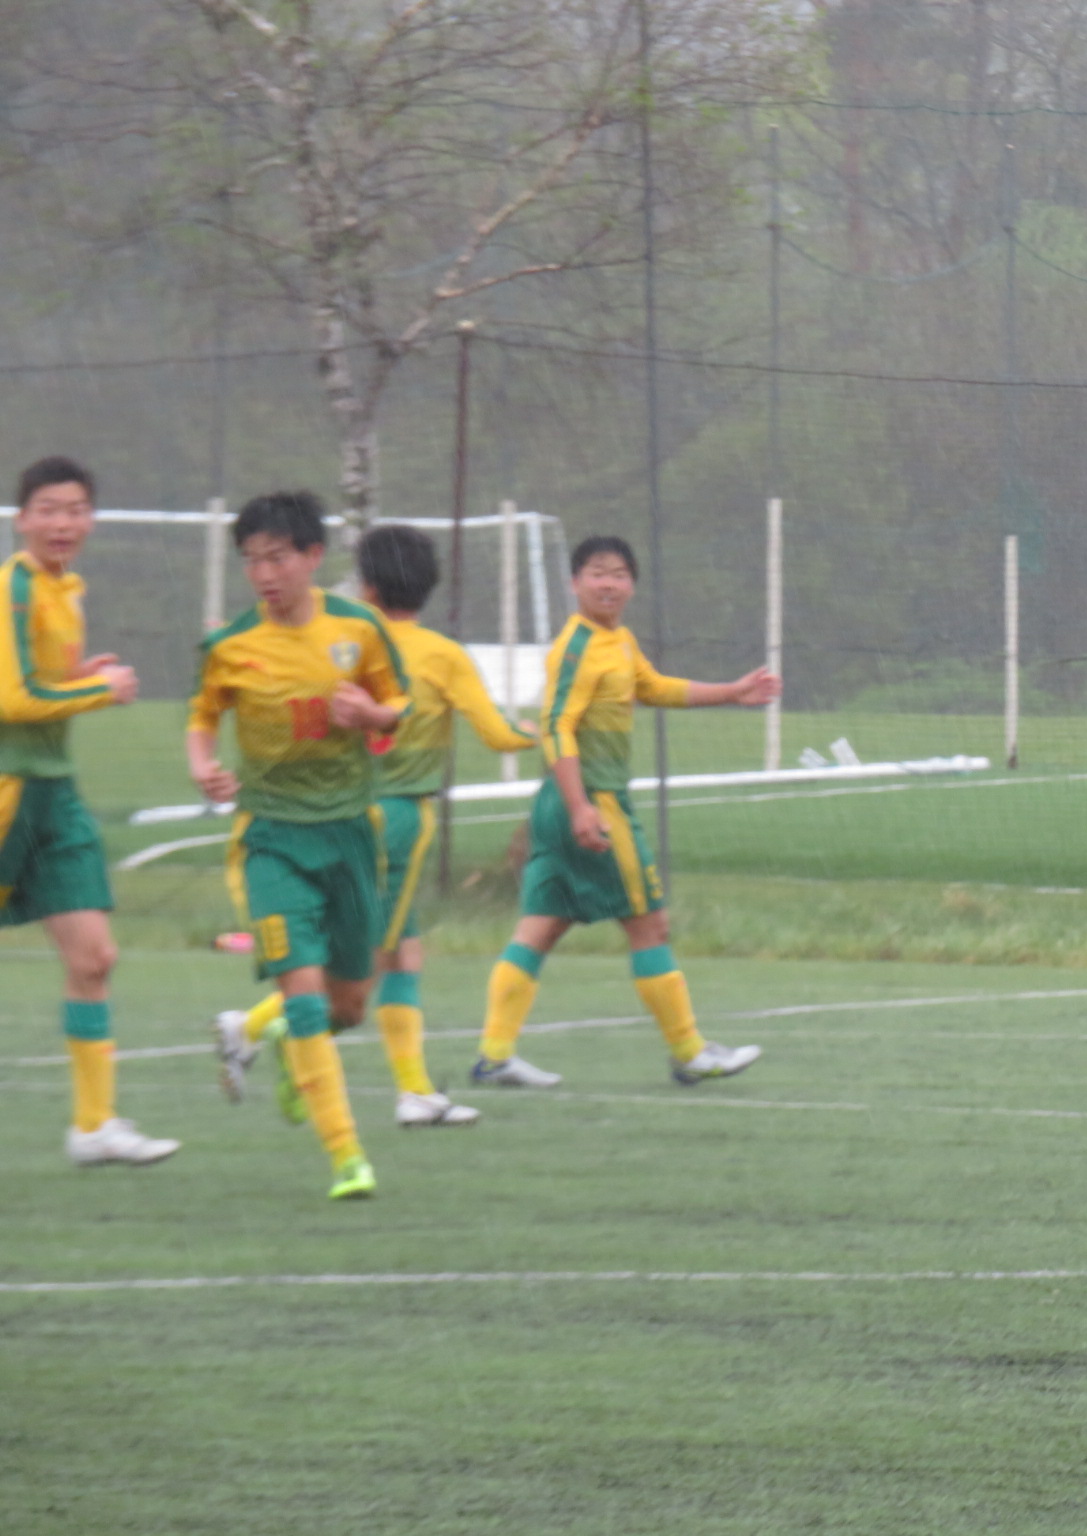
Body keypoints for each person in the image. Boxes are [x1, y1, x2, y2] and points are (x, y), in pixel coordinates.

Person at [216, 523, 534, 1128]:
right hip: (401, 819)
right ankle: (253, 1027)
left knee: (404, 952)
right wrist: (541, 734)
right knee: (368, 964)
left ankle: (415, 1091)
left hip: (338, 811)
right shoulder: (441, 654)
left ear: (366, 585)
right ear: (429, 585)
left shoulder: (345, 641)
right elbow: (498, 734)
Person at [471, 534, 778, 1088]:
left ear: (632, 585)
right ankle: (689, 1052)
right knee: (649, 924)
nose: (608, 584)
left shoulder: (618, 640)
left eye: (618, 574)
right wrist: (581, 807)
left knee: (542, 926)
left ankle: (495, 1055)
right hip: (593, 799)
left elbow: (653, 687)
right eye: (597, 573)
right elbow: (556, 726)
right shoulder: (576, 647)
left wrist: (732, 692)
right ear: (575, 582)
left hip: (567, 801)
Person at [188, 491, 411, 1200]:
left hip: (349, 835)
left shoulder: (360, 627)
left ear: (313, 557)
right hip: (272, 839)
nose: (264, 574)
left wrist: (370, 712)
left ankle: (285, 1043)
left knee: (349, 1007)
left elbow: (399, 707)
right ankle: (348, 1158)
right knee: (307, 999)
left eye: (277, 558)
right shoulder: (229, 646)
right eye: (252, 561)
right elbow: (203, 718)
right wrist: (203, 765)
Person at [2, 456, 178, 1169]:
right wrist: (99, 691)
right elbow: (12, 699)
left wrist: (78, 676)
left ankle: (94, 1126)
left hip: (55, 794)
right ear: (22, 518)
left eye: (76, 510)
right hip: (9, 791)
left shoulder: (66, 589)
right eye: (48, 509)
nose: (63, 523)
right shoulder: (15, 585)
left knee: (95, 957)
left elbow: (39, 682)